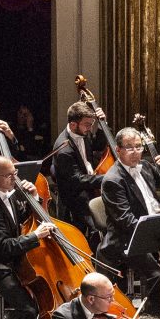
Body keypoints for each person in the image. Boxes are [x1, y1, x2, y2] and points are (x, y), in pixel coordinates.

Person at [0, 153, 56, 319]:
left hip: (13, 259)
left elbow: (23, 220)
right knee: (29, 309)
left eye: (14, 173)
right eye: (9, 175)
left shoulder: (9, 194)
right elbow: (4, 247)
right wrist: (35, 236)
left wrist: (35, 197)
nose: (14, 178)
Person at [98, 127, 160, 285]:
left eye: (138, 146)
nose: (135, 151)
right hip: (128, 238)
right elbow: (126, 221)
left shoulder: (145, 166)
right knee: (156, 275)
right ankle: (153, 311)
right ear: (118, 150)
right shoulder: (113, 180)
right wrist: (157, 234)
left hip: (157, 229)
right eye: (129, 148)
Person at [52, 98, 111, 241]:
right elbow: (77, 180)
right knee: (95, 231)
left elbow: (97, 146)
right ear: (73, 124)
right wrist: (107, 178)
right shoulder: (64, 150)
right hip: (75, 197)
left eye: (92, 124)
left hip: (88, 187)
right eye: (87, 125)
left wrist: (103, 126)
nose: (90, 128)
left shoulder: (81, 132)